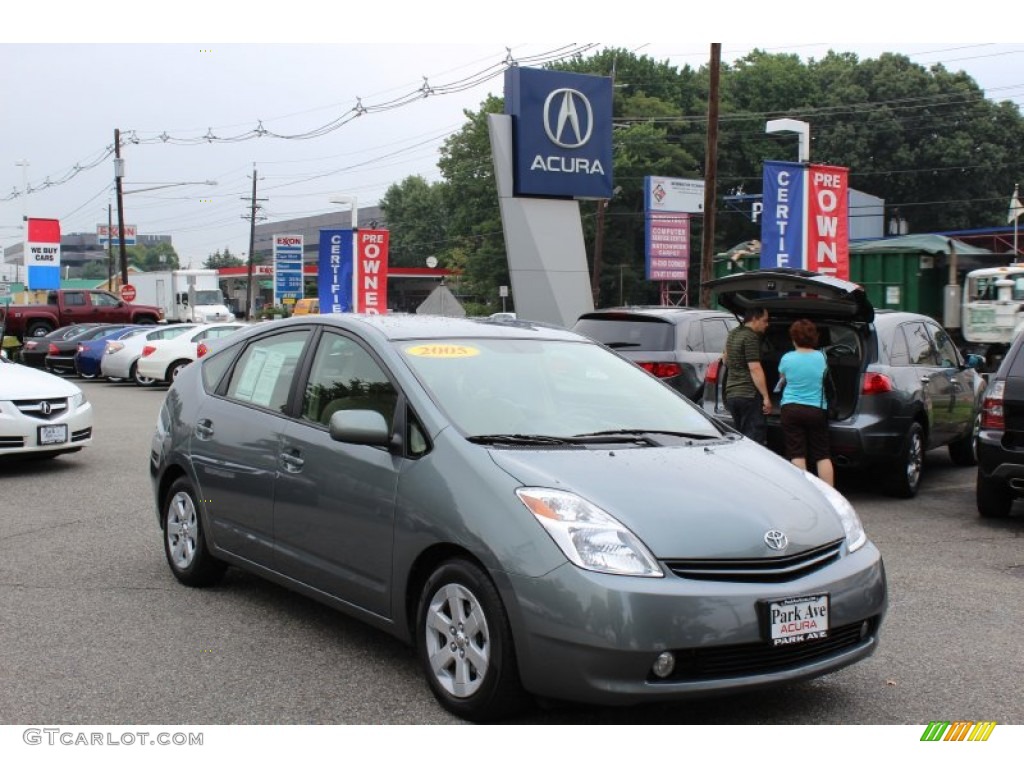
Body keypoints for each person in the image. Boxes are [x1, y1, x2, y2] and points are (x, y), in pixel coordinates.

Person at [777, 319, 835, 486]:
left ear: (793, 338)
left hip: (791, 409)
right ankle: (830, 494)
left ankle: (803, 493)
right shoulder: (821, 357)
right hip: (816, 409)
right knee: (822, 454)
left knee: (797, 453)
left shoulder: (787, 358)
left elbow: (782, 378)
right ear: (814, 338)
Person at [723, 306, 771, 444]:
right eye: (765, 320)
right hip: (748, 394)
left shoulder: (733, 333)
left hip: (732, 394)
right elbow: (755, 368)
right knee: (753, 439)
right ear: (755, 319)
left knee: (740, 438)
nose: (767, 324)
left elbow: (725, 359)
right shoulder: (751, 337)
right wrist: (766, 397)